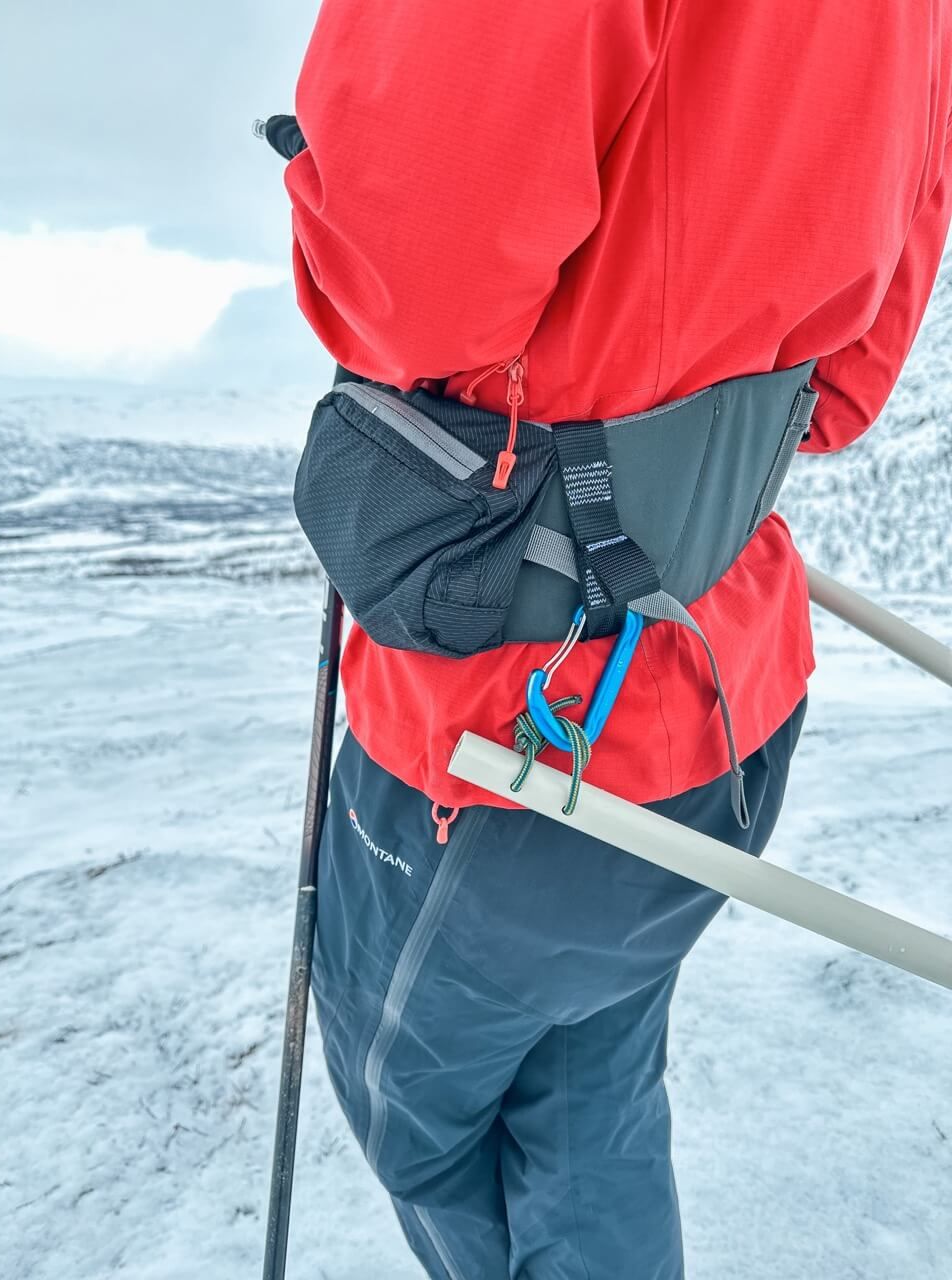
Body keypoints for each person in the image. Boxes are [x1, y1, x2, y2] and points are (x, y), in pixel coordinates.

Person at [282, 3, 952, 1275]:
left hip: (497, 730)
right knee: (589, 1083)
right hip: (720, 702)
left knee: (418, 1114)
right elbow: (849, 381)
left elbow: (409, 272)